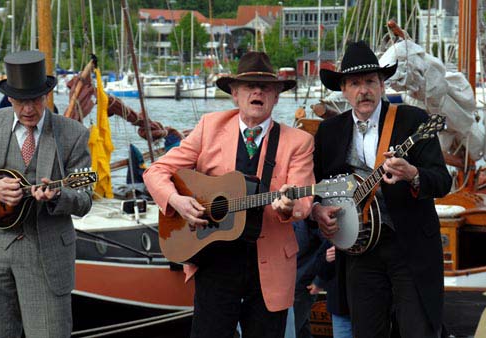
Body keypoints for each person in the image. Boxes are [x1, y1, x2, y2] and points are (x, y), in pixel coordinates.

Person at [143, 51, 315, 338]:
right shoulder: (210, 127)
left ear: (276, 97)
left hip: (269, 263)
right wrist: (177, 201)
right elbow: (155, 172)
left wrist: (288, 206)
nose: (257, 91)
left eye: (266, 87)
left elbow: (304, 201)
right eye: (249, 86)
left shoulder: (298, 141)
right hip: (215, 259)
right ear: (235, 94)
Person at [312, 41, 452, 338]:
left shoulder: (414, 121)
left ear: (382, 84)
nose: (363, 90)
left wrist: (412, 174)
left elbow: (442, 181)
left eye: (370, 81)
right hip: (359, 252)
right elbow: (318, 189)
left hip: (409, 246)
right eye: (354, 83)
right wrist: (318, 210)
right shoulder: (329, 132)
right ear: (343, 89)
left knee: (417, 330)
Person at [0, 50, 93, 337]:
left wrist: (57, 197)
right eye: (21, 101)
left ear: (46, 97)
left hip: (47, 257)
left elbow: (84, 200)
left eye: (35, 100)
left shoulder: (73, 134)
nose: (28, 109)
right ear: (10, 98)